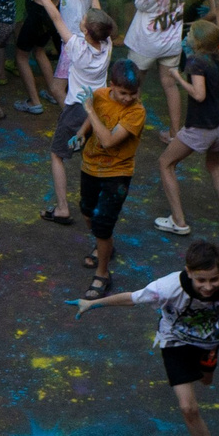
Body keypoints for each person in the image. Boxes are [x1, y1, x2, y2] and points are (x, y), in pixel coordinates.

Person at [72, 239, 219, 436]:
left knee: (207, 380)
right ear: (188, 271)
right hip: (175, 341)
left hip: (209, 340)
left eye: (214, 279)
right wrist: (92, 303)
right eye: (201, 280)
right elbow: (133, 298)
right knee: (188, 408)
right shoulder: (168, 287)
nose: (208, 286)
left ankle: (206, 365)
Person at [29, 0, 112, 229]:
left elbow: (56, 19)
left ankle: (63, 208)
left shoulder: (76, 47)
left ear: (86, 30)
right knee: (92, 156)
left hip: (77, 108)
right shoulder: (107, 45)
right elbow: (101, 17)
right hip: (100, 109)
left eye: (85, 20)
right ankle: (97, 201)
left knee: (57, 154)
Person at [152, 19, 219, 236]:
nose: (186, 37)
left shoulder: (196, 62)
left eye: (190, 34)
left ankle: (179, 222)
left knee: (165, 163)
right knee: (214, 165)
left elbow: (199, 94)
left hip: (201, 129)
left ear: (197, 42)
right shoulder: (218, 56)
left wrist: (177, 77)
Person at [75, 67, 146, 299]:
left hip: (117, 174)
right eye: (123, 93)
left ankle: (102, 274)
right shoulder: (100, 95)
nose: (128, 99)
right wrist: (81, 132)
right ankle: (104, 245)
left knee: (103, 225)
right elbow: (92, 116)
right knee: (87, 212)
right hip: (90, 168)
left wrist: (89, 110)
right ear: (111, 85)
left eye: (132, 94)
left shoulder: (136, 113)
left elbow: (107, 141)